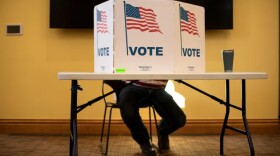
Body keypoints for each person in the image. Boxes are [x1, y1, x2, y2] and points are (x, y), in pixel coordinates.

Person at [119, 80, 186, 155]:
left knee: (180, 120)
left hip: (158, 89)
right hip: (132, 87)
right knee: (129, 112)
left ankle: (162, 130)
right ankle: (145, 143)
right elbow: (120, 70)